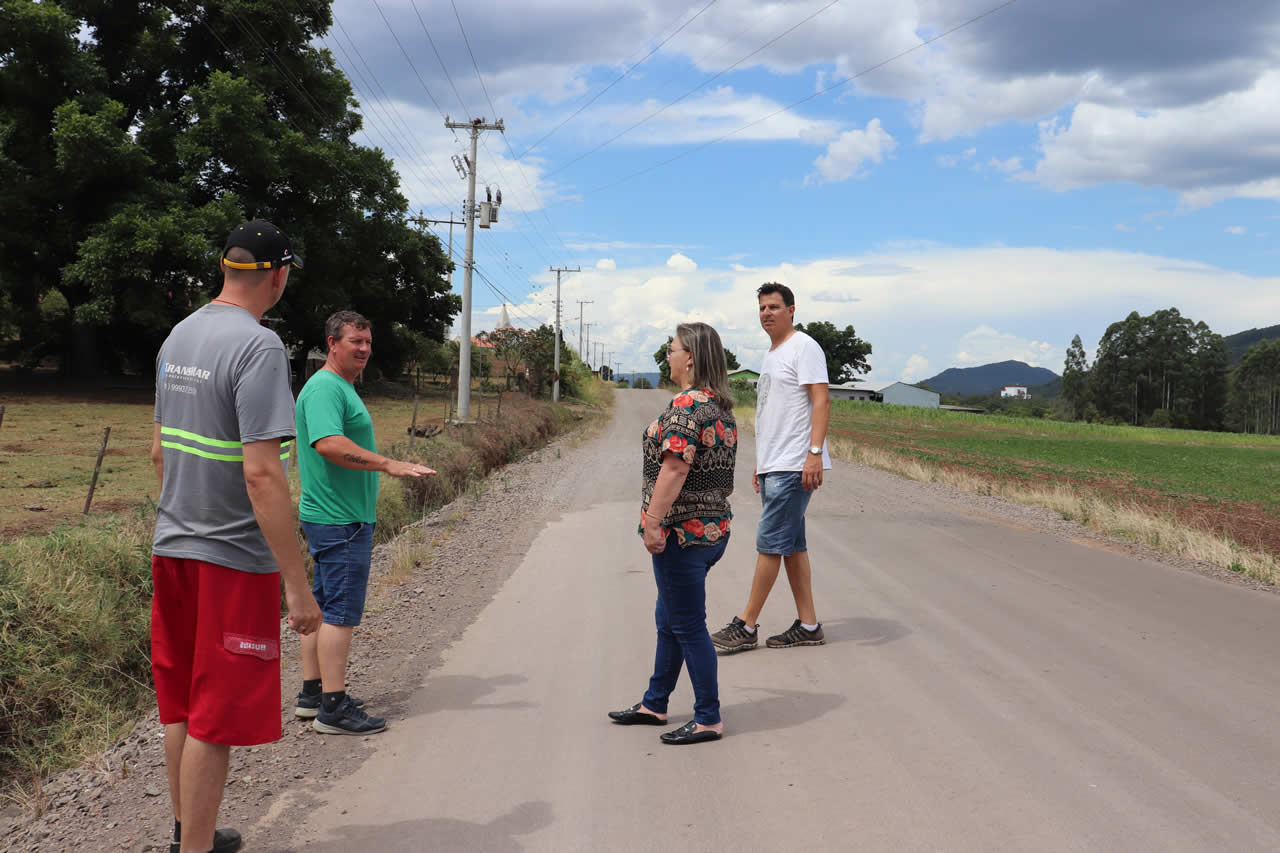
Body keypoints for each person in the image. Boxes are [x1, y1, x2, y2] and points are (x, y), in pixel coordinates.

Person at [150, 220, 322, 853]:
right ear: (278, 275)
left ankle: (185, 832)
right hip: (230, 559)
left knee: (181, 705)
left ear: (227, 269)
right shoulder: (259, 347)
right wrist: (297, 588)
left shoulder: (178, 335)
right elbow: (262, 475)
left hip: (172, 547)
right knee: (215, 718)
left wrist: (177, 521)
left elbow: (159, 450)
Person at [293, 310, 435, 734]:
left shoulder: (338, 387)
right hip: (341, 519)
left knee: (321, 607)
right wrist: (388, 464)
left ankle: (313, 694)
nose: (364, 349)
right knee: (341, 612)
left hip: (335, 516)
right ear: (332, 344)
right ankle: (332, 709)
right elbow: (329, 444)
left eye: (368, 342)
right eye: (355, 341)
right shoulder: (325, 389)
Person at [608, 322, 737, 745]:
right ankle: (655, 702)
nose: (668, 355)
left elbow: (675, 467)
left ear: (692, 357)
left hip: (681, 535)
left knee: (687, 625)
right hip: (713, 531)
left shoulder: (685, 406)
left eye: (673, 349)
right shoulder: (720, 406)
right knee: (670, 620)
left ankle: (708, 718)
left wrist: (652, 522)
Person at [711, 282, 831, 653]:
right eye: (762, 307)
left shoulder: (804, 347)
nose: (766, 313)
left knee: (770, 544)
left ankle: (746, 627)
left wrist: (814, 453)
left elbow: (822, 401)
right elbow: (773, 415)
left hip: (795, 464)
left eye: (774, 307)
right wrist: (762, 464)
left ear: (791, 310)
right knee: (792, 545)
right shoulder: (772, 354)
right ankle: (809, 626)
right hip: (776, 464)